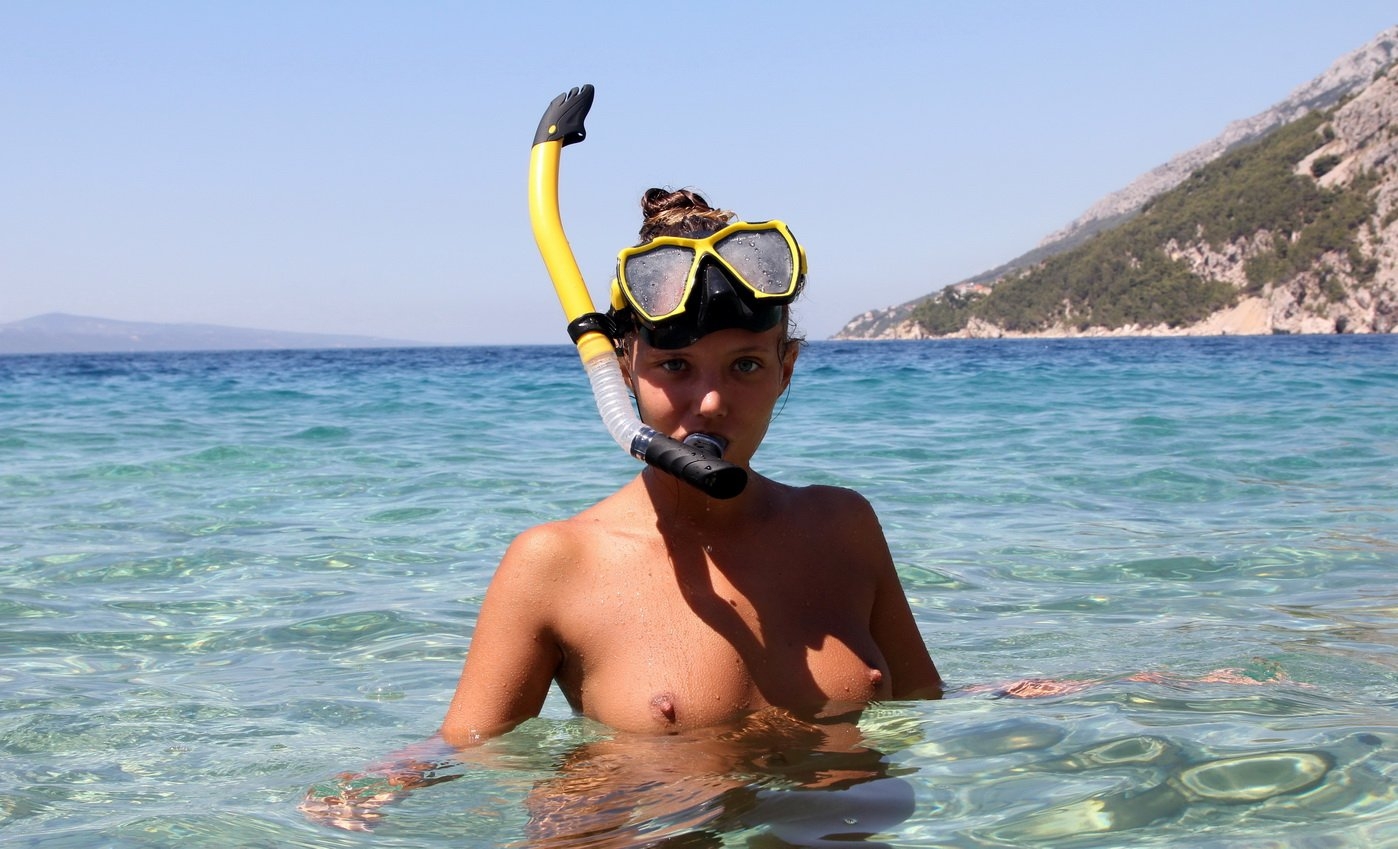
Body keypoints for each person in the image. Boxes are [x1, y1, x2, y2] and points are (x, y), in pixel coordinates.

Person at [300, 188, 943, 832]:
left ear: (787, 368)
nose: (711, 401)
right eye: (676, 365)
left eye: (745, 364)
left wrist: (1000, 704)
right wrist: (395, 777)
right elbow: (472, 744)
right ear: (623, 370)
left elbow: (927, 704)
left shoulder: (841, 527)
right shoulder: (558, 560)